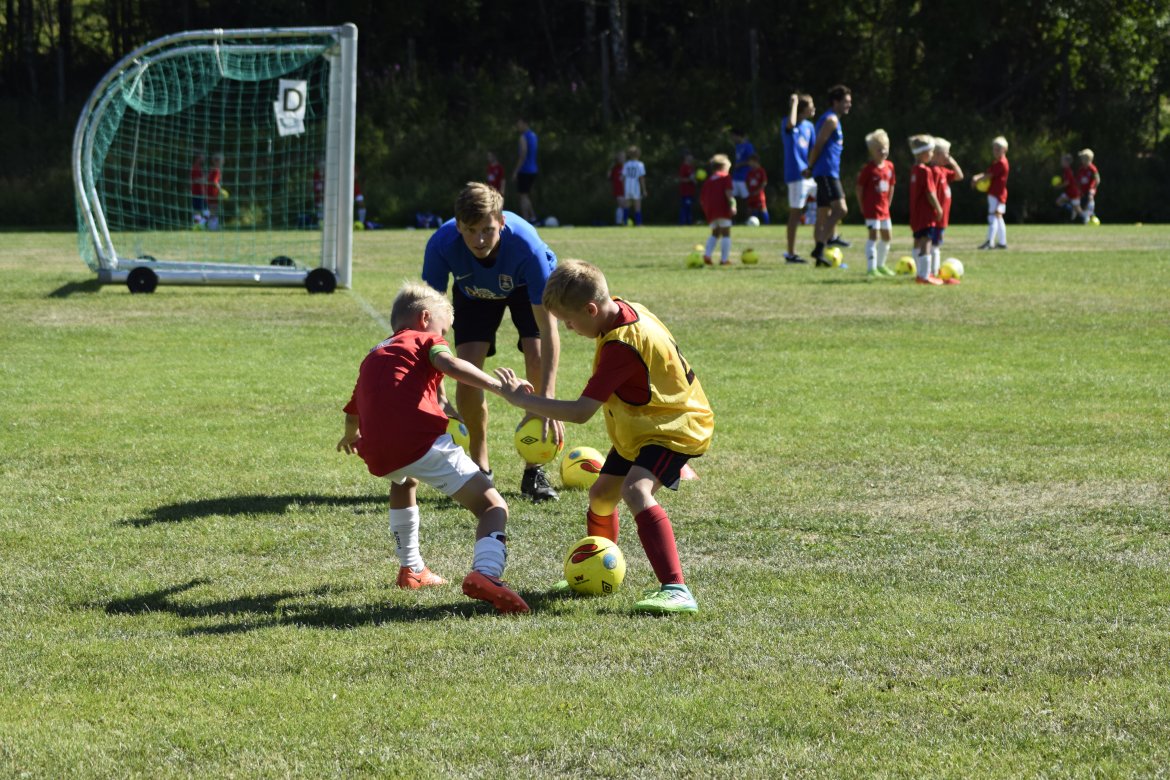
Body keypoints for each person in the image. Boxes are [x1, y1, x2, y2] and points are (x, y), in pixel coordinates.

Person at [494, 259, 714, 615]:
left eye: (569, 321)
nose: (568, 328)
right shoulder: (623, 309)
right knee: (600, 495)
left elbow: (582, 412)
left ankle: (677, 589)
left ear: (591, 309)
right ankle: (596, 567)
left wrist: (524, 401)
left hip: (673, 428)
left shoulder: (620, 347)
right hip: (640, 428)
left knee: (635, 490)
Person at [337, 282, 531, 613]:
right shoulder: (426, 339)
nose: (444, 338)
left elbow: (354, 409)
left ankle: (411, 568)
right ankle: (487, 574)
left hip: (377, 449)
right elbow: (450, 366)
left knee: (403, 481)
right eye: (444, 331)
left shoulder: (375, 352)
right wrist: (501, 388)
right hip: (419, 440)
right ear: (425, 319)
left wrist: (350, 435)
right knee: (493, 506)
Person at [421, 182, 564, 502]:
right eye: (470, 231)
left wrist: (548, 402)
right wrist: (439, 395)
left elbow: (548, 329)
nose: (479, 240)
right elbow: (429, 329)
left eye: (487, 230)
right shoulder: (442, 244)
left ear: (501, 221)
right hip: (473, 292)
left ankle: (535, 468)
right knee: (466, 371)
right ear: (458, 226)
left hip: (525, 287)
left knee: (536, 357)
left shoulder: (527, 247)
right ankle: (479, 468)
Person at [804, 85, 853, 266]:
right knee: (841, 209)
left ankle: (820, 258)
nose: (849, 105)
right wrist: (810, 166)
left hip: (826, 171)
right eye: (846, 102)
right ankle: (822, 245)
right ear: (835, 102)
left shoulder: (832, 119)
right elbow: (818, 145)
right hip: (826, 172)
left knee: (823, 213)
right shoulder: (831, 120)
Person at [854, 129, 896, 277]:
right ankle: (871, 268)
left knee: (887, 237)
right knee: (873, 237)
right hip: (872, 209)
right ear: (872, 152)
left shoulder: (890, 166)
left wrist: (888, 203)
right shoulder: (868, 169)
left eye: (885, 148)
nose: (883, 152)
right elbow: (859, 188)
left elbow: (891, 185)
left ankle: (881, 265)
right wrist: (862, 206)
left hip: (884, 210)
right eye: (879, 149)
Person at [781, 93, 816, 263]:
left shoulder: (810, 126)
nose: (814, 108)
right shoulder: (788, 122)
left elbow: (813, 150)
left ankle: (825, 243)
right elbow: (791, 124)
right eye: (811, 105)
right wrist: (794, 104)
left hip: (809, 175)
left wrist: (813, 169)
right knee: (795, 213)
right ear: (802, 109)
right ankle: (791, 253)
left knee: (829, 203)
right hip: (796, 175)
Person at [907, 134, 944, 286]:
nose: (932, 154)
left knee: (917, 241)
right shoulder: (925, 171)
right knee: (926, 242)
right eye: (931, 151)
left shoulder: (914, 170)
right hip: (926, 214)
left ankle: (919, 273)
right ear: (923, 153)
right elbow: (930, 193)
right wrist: (939, 208)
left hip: (916, 214)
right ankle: (925, 275)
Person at [929, 137, 963, 282]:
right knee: (934, 244)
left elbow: (959, 176)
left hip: (943, 217)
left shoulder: (942, 171)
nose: (948, 156)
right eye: (946, 153)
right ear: (936, 155)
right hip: (936, 216)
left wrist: (952, 162)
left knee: (936, 243)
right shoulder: (933, 172)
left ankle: (932, 271)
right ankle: (933, 271)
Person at [972, 136, 1009, 249]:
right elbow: (988, 173)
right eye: (994, 149)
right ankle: (1002, 243)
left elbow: (989, 175)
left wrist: (977, 179)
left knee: (992, 217)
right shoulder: (996, 162)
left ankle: (990, 242)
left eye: (998, 149)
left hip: (997, 194)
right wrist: (978, 177)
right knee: (998, 217)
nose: (995, 151)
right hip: (996, 193)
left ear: (1005, 149)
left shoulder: (1001, 163)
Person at [699, 153, 736, 265]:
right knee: (726, 233)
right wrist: (733, 205)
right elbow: (729, 193)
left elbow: (702, 199)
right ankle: (724, 260)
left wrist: (707, 210)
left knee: (715, 233)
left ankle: (707, 255)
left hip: (710, 210)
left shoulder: (709, 180)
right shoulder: (725, 177)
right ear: (723, 166)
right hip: (722, 208)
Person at [512, 118, 539, 223]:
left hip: (525, 170)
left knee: (523, 196)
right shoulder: (534, 135)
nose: (518, 126)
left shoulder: (523, 137)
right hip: (533, 170)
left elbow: (523, 154)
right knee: (526, 195)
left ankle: (526, 220)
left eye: (519, 124)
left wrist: (516, 171)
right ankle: (533, 217)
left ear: (525, 123)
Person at [729, 128, 755, 214]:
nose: (732, 139)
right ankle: (733, 216)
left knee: (747, 199)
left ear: (738, 136)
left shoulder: (748, 146)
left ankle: (751, 217)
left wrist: (741, 164)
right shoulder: (737, 146)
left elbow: (752, 160)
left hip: (744, 176)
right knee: (731, 196)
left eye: (733, 136)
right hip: (736, 176)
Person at [621, 145, 647, 226]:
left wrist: (624, 188)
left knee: (627, 205)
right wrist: (644, 190)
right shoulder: (640, 164)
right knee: (637, 206)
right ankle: (639, 223)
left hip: (628, 186)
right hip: (635, 186)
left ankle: (625, 222)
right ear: (638, 154)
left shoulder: (626, 164)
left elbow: (623, 177)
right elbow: (641, 178)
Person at [1055, 152, 1083, 222]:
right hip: (1068, 192)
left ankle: (1086, 219)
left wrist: (1059, 186)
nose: (1061, 162)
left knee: (1078, 210)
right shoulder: (1065, 170)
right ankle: (1071, 208)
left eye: (1062, 161)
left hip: (1074, 193)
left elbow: (1067, 183)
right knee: (1058, 202)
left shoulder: (1068, 171)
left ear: (1067, 162)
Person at [1076, 148, 1100, 224]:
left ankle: (1091, 216)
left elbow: (1097, 179)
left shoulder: (1092, 169)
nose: (1081, 160)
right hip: (1082, 191)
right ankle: (1087, 217)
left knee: (1090, 199)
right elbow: (1078, 181)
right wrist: (1079, 190)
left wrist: (1093, 189)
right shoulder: (1081, 169)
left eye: (1083, 158)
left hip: (1090, 189)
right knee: (1082, 204)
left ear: (1088, 159)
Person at [745, 154, 769, 224]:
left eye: (750, 162)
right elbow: (746, 182)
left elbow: (764, 182)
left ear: (755, 161)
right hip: (751, 194)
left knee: (762, 208)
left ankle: (767, 223)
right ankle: (752, 222)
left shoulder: (761, 171)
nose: (749, 164)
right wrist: (748, 190)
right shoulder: (750, 172)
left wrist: (758, 191)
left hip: (759, 195)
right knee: (751, 208)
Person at [206, 153, 226, 231]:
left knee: (211, 210)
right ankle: (213, 227)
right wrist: (221, 190)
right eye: (222, 160)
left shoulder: (212, 169)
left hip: (209, 192)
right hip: (213, 193)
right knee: (214, 210)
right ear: (218, 161)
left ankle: (212, 226)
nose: (223, 162)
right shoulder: (216, 170)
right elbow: (214, 181)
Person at [678, 152, 697, 225]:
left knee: (690, 208)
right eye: (690, 156)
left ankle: (689, 223)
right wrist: (689, 179)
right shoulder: (683, 167)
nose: (692, 158)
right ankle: (682, 223)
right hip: (685, 192)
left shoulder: (691, 167)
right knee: (685, 207)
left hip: (691, 191)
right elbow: (681, 179)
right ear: (686, 157)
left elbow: (693, 178)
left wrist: (694, 180)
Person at [190, 152, 207, 228]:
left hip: (201, 192)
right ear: (197, 158)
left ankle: (198, 225)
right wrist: (206, 178)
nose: (204, 159)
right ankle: (198, 226)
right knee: (201, 211)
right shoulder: (195, 168)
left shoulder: (199, 168)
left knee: (201, 211)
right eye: (202, 157)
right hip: (197, 192)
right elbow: (195, 180)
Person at [609, 150, 626, 225]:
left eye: (623, 157)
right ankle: (619, 222)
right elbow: (609, 176)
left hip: (626, 190)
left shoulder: (626, 167)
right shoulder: (615, 168)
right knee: (621, 205)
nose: (622, 158)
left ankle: (622, 221)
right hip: (618, 189)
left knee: (624, 206)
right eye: (620, 157)